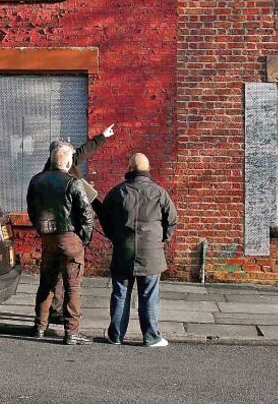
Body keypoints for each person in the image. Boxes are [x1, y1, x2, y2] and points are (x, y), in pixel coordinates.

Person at [101, 153, 178, 348]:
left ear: (130, 168)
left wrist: (115, 237)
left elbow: (105, 218)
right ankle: (151, 337)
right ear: (148, 169)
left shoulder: (117, 192)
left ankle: (116, 335)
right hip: (151, 253)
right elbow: (172, 220)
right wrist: (162, 240)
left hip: (123, 251)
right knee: (149, 295)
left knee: (120, 293)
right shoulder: (159, 193)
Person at [44, 125, 115, 324]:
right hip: (66, 231)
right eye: (69, 153)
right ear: (60, 156)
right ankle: (60, 315)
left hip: (58, 231)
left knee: (58, 275)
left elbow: (85, 150)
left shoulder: (64, 167)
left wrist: (103, 136)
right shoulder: (50, 177)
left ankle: (47, 317)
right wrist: (84, 235)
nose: (73, 156)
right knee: (64, 276)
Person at [27, 144, 95, 345]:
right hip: (70, 238)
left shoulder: (37, 180)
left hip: (48, 238)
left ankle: (40, 326)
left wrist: (41, 230)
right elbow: (87, 215)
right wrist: (84, 239)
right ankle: (71, 332)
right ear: (66, 162)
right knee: (72, 286)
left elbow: (32, 210)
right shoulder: (72, 183)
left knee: (46, 284)